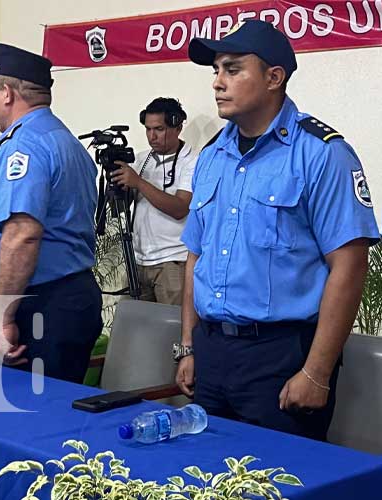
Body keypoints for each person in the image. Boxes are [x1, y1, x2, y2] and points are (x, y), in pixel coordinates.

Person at [173, 20, 379, 441]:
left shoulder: (321, 154)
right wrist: (189, 348)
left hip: (281, 357)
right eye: (216, 71)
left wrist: (317, 371)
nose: (217, 83)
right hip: (212, 351)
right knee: (204, 476)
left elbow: (350, 264)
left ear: (273, 77)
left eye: (232, 69)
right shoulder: (213, 156)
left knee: (278, 482)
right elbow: (197, 256)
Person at [0, 43, 102, 383]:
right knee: (59, 417)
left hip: (40, 308)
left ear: (7, 94)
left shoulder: (24, 147)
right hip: (72, 298)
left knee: (29, 422)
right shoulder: (68, 143)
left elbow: (22, 235)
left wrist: (4, 318)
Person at [111, 98, 197, 305]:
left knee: (172, 332)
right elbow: (121, 208)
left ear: (178, 126)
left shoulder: (194, 160)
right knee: (136, 329)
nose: (152, 136)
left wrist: (138, 182)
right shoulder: (140, 159)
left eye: (159, 129)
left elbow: (180, 208)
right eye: (148, 129)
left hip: (174, 262)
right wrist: (117, 186)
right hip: (138, 260)